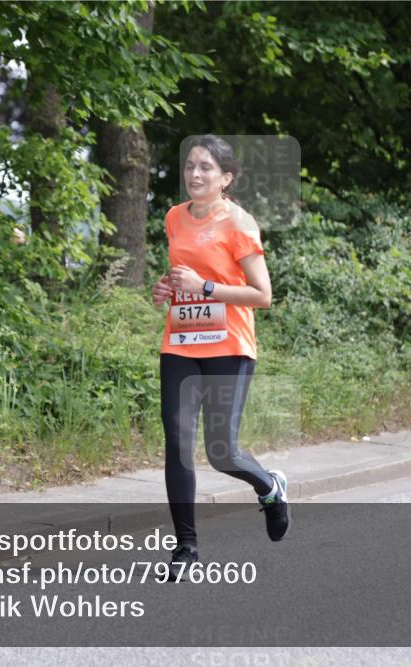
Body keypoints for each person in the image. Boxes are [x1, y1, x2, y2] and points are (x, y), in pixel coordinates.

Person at [151, 135, 290, 579]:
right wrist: (167, 287)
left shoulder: (239, 223)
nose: (194, 174)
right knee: (177, 443)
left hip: (229, 345)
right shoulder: (174, 217)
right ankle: (186, 547)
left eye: (206, 168)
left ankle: (269, 487)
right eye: (190, 165)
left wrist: (206, 288)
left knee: (222, 452)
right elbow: (185, 273)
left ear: (225, 178)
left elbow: (262, 295)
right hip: (181, 341)